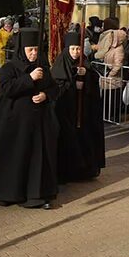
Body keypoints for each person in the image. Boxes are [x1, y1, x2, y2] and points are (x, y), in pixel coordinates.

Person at [0, 28, 59, 209]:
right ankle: (9, 193)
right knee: (15, 157)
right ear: (22, 50)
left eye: (36, 49)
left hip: (37, 123)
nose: (34, 53)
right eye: (30, 50)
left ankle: (36, 195)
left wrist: (45, 95)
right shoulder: (9, 68)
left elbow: (54, 88)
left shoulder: (42, 67)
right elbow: (6, 89)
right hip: (15, 124)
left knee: (36, 159)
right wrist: (29, 78)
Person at [51, 29, 106, 181]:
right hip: (66, 112)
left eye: (78, 49)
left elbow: (95, 82)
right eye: (73, 49)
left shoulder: (85, 63)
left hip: (84, 113)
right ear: (67, 49)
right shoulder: (60, 65)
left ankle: (84, 170)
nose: (76, 52)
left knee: (84, 139)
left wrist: (86, 77)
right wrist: (75, 84)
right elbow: (57, 88)